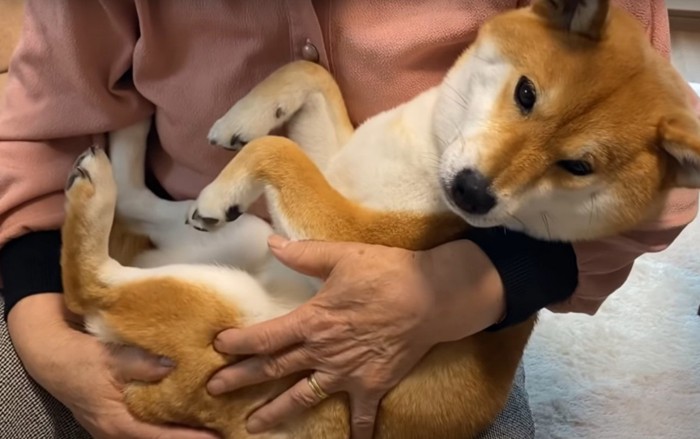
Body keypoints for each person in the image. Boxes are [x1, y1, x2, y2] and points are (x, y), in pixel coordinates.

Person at [0, 1, 697, 438]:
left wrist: (461, 287)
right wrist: (48, 345)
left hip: (444, 326)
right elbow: (34, 128)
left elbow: (655, 187)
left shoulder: (601, 41)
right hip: (178, 250)